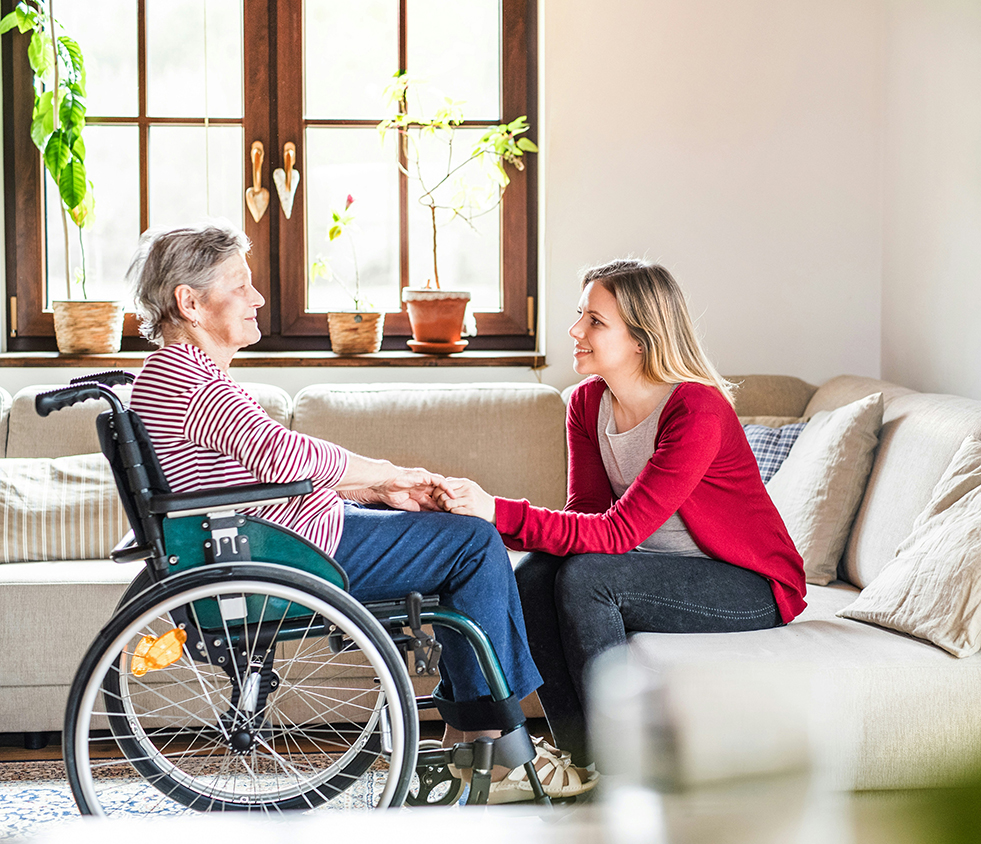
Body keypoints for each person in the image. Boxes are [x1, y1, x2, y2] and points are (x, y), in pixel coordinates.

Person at [125, 219, 596, 803]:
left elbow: (267, 474)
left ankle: (469, 745)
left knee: (458, 537)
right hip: (284, 552)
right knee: (474, 543)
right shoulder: (192, 381)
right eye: (241, 285)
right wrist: (388, 473)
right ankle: (497, 751)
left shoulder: (177, 377)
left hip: (273, 536)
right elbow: (284, 454)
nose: (259, 299)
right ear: (190, 302)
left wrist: (376, 492)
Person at [438, 258, 807, 770]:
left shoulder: (696, 410)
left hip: (748, 584)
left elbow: (617, 533)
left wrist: (495, 511)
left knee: (589, 578)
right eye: (580, 316)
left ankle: (617, 763)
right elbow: (586, 516)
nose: (576, 331)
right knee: (535, 576)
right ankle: (582, 759)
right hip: (656, 568)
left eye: (595, 321)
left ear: (641, 338)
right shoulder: (587, 402)